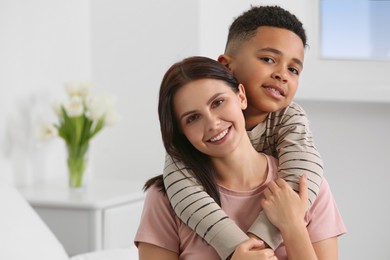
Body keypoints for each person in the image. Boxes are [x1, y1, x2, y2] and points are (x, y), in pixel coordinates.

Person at [134, 56, 346, 260]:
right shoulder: (164, 199)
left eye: (218, 102)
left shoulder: (307, 186)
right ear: (182, 132)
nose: (212, 123)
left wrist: (293, 226)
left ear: (241, 97)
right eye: (193, 118)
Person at [162, 5, 324, 259]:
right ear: (226, 66)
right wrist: (237, 249)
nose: (282, 74)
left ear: (241, 97)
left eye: (293, 69)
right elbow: (184, 194)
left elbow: (304, 172)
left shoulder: (291, 118)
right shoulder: (186, 157)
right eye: (268, 59)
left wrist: (262, 238)